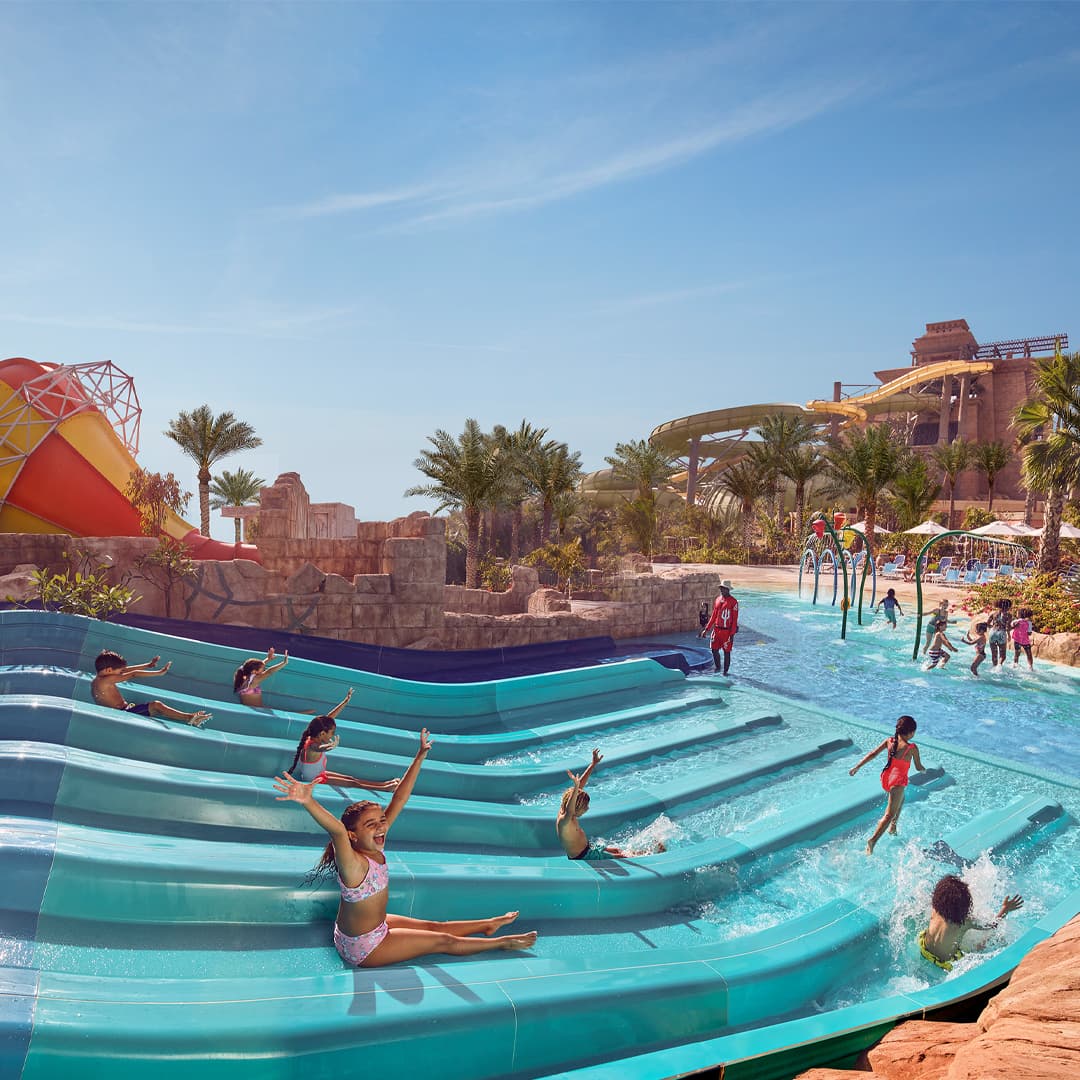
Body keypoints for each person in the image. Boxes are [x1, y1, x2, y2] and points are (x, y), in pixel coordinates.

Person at [274, 729, 537, 966]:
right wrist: (308, 801)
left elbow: (400, 797)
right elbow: (337, 831)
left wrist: (420, 756)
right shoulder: (353, 863)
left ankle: (487, 925)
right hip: (364, 947)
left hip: (372, 929)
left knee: (432, 927)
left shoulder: (373, 844)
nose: (380, 828)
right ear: (353, 836)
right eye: (370, 825)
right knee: (442, 941)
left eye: (381, 822)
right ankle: (504, 942)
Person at [556, 748, 666, 860]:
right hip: (584, 856)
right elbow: (572, 805)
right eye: (585, 807)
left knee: (617, 851)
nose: (587, 809)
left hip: (588, 848)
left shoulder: (565, 807)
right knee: (622, 857)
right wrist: (575, 788)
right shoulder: (565, 820)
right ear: (575, 807)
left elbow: (579, 789)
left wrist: (593, 764)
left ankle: (647, 852)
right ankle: (654, 855)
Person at [289, 691, 401, 791]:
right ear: (322, 733)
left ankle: (384, 784)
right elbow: (317, 748)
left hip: (319, 775)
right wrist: (329, 746)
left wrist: (344, 702)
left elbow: (329, 718)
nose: (332, 735)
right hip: (315, 780)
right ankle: (386, 788)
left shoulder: (314, 736)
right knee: (352, 783)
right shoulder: (311, 746)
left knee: (351, 779)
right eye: (331, 733)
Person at [848, 715, 926, 856]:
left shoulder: (889, 741)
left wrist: (857, 766)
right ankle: (872, 840)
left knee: (900, 800)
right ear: (911, 732)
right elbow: (918, 766)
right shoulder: (912, 747)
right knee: (889, 814)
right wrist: (924, 770)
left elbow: (873, 754)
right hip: (897, 781)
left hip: (886, 777)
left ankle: (893, 827)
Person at [918, 875, 1024, 971]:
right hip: (946, 964)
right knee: (981, 945)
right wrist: (1005, 909)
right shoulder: (966, 922)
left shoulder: (935, 909)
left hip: (924, 949)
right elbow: (992, 925)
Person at [91, 651, 211, 727]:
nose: (121, 672)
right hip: (123, 713)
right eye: (119, 671)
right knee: (156, 705)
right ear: (109, 670)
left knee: (156, 709)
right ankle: (189, 717)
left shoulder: (99, 679)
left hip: (125, 709)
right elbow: (134, 674)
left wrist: (147, 665)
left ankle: (187, 717)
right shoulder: (106, 681)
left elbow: (127, 670)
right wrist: (159, 673)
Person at [700, 579, 739, 675]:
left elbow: (734, 620)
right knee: (714, 649)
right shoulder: (717, 600)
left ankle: (725, 672)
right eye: (721, 588)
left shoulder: (734, 602)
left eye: (724, 588)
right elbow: (714, 616)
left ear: (728, 589)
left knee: (727, 652)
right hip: (717, 630)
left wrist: (732, 634)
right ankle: (718, 668)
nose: (721, 590)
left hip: (727, 632)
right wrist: (706, 629)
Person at [988, 599, 1012, 668]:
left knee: (994, 654)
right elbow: (1007, 627)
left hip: (992, 632)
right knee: (1002, 656)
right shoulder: (1008, 615)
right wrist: (1009, 635)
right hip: (1001, 633)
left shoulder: (994, 614)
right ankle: (999, 667)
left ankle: (994, 667)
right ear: (1008, 606)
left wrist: (992, 628)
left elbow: (987, 623)